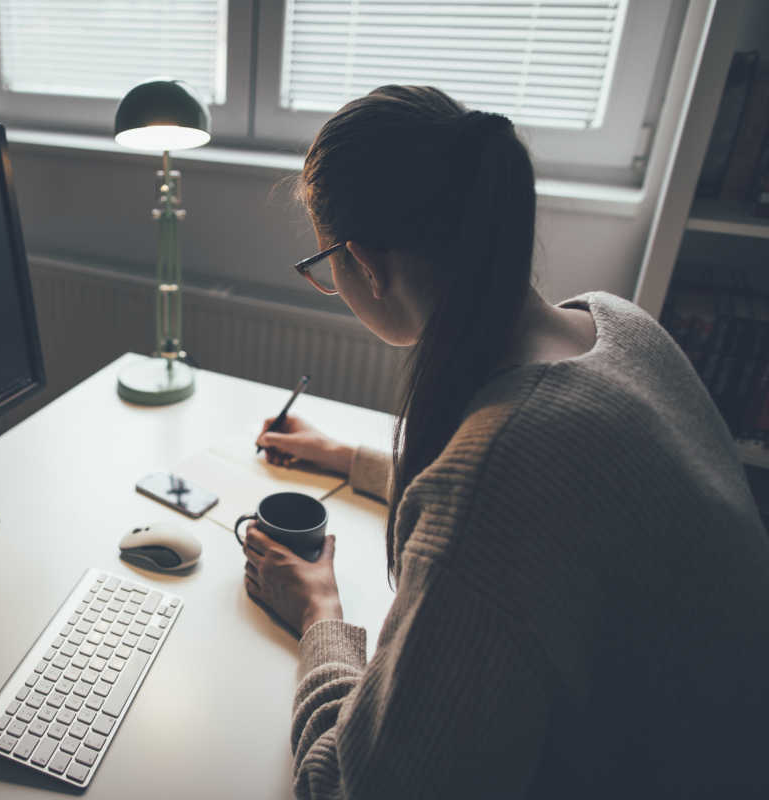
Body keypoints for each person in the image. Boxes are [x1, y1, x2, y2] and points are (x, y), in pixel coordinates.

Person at [240, 85, 769, 798]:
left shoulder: (496, 481)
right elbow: (550, 502)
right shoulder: (617, 326)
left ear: (365, 262)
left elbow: (349, 787)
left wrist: (319, 616)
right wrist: (342, 457)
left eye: (324, 263)